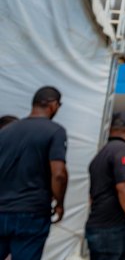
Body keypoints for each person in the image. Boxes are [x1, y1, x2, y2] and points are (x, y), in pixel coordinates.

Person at [0, 86, 68, 259]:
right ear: (53, 105)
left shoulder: (5, 132)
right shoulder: (55, 131)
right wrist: (59, 203)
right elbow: (58, 174)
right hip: (32, 211)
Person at [86, 111, 125, 259]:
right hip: (111, 229)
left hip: (102, 226)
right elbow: (124, 187)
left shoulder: (104, 152)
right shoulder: (123, 150)